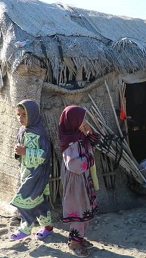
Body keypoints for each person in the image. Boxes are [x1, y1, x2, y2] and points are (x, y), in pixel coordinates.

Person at [59, 105, 100, 257]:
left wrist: (88, 129)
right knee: (77, 208)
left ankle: (79, 238)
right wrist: (90, 158)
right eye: (82, 120)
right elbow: (73, 164)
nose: (84, 122)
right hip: (75, 180)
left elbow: (94, 140)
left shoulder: (79, 135)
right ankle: (74, 242)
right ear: (73, 121)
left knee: (84, 206)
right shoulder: (69, 141)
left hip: (83, 178)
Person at [9, 99, 54, 241]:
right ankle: (48, 227)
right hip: (26, 172)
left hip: (38, 174)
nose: (20, 118)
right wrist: (18, 153)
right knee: (39, 202)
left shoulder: (40, 134)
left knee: (23, 200)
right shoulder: (22, 131)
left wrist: (26, 152)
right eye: (18, 115)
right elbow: (21, 153)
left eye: (24, 115)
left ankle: (25, 228)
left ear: (33, 115)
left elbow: (45, 155)